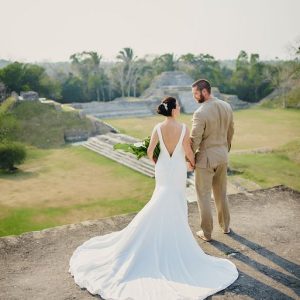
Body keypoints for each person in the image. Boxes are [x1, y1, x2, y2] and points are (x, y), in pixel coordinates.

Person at [68, 96, 238, 299]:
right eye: (178, 106)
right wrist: (191, 164)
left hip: (163, 168)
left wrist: (160, 162)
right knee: (175, 200)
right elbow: (188, 152)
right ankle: (171, 233)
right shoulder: (183, 128)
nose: (180, 107)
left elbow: (150, 151)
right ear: (174, 109)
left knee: (160, 198)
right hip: (176, 170)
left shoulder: (157, 128)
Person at [190, 79, 234, 242]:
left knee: (203, 195)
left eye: (195, 93)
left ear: (204, 91)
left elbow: (194, 139)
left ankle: (206, 233)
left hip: (205, 159)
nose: (194, 96)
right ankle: (226, 226)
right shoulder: (226, 106)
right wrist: (224, 149)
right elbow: (231, 131)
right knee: (221, 192)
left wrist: (190, 158)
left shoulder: (200, 112)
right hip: (222, 155)